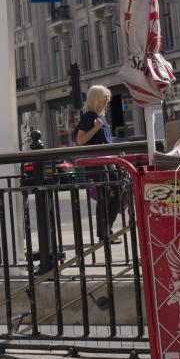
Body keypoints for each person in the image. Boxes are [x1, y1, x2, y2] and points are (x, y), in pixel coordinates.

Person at [75, 85, 122, 243]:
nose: (108, 100)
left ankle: (107, 229)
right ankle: (104, 233)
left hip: (109, 160)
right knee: (104, 195)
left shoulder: (102, 117)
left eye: (108, 97)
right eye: (105, 97)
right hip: (98, 162)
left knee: (118, 191)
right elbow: (80, 140)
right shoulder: (89, 116)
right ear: (96, 99)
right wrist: (96, 128)